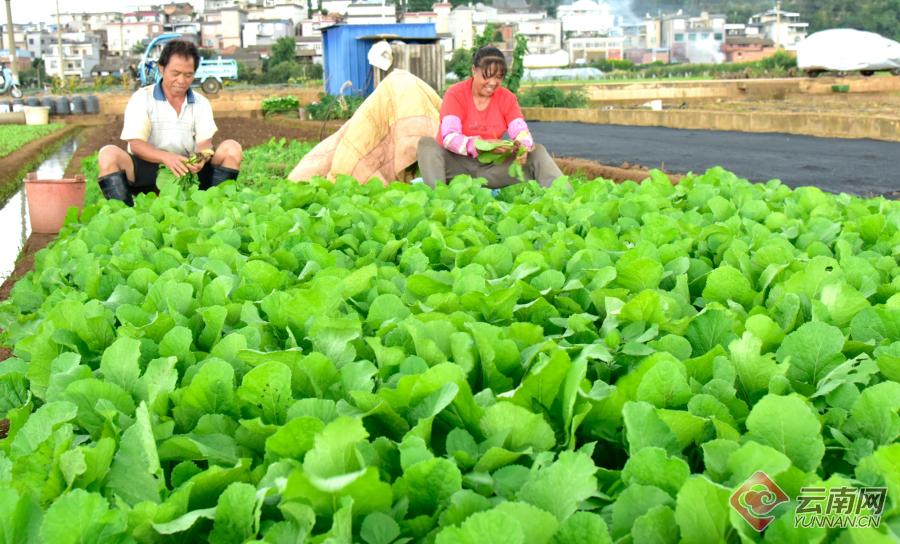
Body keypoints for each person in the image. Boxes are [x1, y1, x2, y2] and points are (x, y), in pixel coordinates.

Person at [97, 39, 242, 206]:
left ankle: (218, 207)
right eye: (175, 73)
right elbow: (136, 145)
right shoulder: (142, 98)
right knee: (108, 154)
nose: (181, 80)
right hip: (149, 170)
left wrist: (200, 158)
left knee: (232, 148)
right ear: (162, 68)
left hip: (188, 171)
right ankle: (122, 213)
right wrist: (167, 158)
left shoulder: (200, 103)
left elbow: (205, 144)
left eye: (188, 75)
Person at [417, 46, 562, 189]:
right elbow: (449, 138)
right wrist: (481, 146)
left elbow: (520, 130)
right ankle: (437, 199)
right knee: (426, 145)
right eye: (487, 76)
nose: (492, 83)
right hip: (456, 168)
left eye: (498, 77)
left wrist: (523, 145)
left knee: (537, 151)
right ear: (474, 70)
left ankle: (564, 199)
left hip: (492, 169)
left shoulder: (507, 98)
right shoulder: (455, 94)